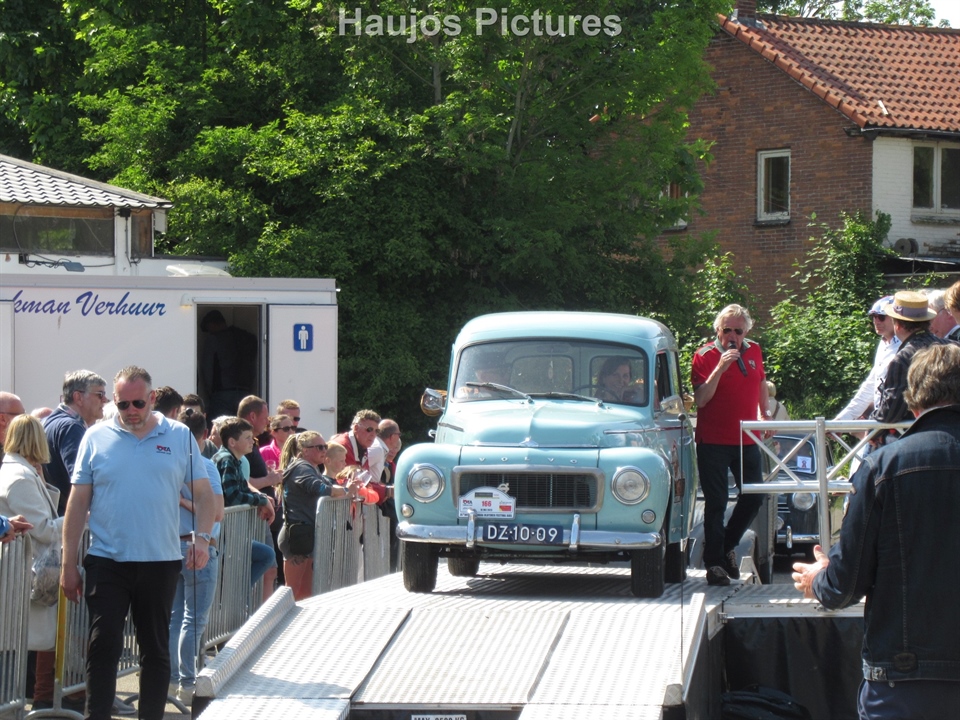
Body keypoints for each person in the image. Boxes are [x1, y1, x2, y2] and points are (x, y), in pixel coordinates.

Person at [792, 343, 960, 719]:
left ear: (913, 402)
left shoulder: (883, 466)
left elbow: (844, 587)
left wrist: (819, 579)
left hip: (904, 680)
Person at [60, 366, 214, 720]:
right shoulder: (95, 437)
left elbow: (204, 495)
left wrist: (203, 539)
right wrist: (69, 564)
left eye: (138, 403)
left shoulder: (178, 435)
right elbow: (77, 502)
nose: (131, 411)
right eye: (122, 404)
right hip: (107, 559)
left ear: (152, 398)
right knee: (103, 644)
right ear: (113, 402)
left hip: (159, 560)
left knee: (154, 649)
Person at [691, 304, 770, 586]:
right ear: (718, 330)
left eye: (738, 331)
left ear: (746, 332)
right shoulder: (704, 355)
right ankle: (714, 564)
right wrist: (721, 367)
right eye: (727, 330)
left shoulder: (755, 350)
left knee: (755, 496)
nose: (732, 336)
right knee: (717, 502)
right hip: (713, 441)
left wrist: (765, 413)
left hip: (746, 439)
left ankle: (726, 545)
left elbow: (761, 382)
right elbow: (701, 400)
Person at [0, 415, 65, 711]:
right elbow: (43, 529)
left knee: (15, 648)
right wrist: (77, 519)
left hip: (21, 572)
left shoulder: (21, 472)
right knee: (13, 648)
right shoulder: (20, 476)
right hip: (20, 574)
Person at [168, 411, 225, 706]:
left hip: (171, 546)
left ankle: (173, 679)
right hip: (197, 545)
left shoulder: (167, 464)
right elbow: (217, 512)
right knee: (193, 619)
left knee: (176, 618)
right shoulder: (204, 466)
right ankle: (187, 683)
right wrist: (187, 501)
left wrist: (181, 500)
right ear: (203, 435)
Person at [277, 431, 353, 600]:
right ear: (305, 450)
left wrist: (342, 490)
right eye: (319, 447)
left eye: (325, 446)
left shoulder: (310, 467)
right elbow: (318, 488)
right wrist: (344, 491)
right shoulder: (301, 467)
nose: (324, 450)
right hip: (297, 536)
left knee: (305, 592)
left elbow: (326, 485)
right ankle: (281, 616)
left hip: (305, 534)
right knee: (291, 592)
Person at [213, 416, 278, 600]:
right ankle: (233, 597)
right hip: (223, 530)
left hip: (230, 529)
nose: (252, 441)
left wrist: (260, 499)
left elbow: (243, 489)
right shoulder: (226, 460)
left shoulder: (234, 460)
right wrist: (260, 501)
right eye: (247, 437)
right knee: (265, 555)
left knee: (265, 555)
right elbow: (233, 496)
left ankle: (235, 596)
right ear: (232, 442)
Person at [871, 291, 948, 426]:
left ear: (898, 325)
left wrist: (871, 420)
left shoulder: (903, 358)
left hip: (919, 431)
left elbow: (890, 414)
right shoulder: (954, 347)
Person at [43, 369, 108, 515]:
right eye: (100, 394)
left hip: (56, 514)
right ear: (78, 397)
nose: (105, 399)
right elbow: (80, 478)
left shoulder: (50, 421)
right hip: (68, 516)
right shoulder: (71, 427)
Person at [834, 296, 901, 421]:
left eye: (881, 317)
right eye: (873, 317)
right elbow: (871, 385)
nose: (876, 321)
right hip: (882, 419)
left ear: (895, 318)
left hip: (899, 420)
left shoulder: (905, 346)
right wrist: (843, 419)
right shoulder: (883, 344)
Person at [200, 310, 258, 419]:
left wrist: (210, 393)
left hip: (222, 394)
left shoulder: (213, 339)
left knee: (221, 426)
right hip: (244, 392)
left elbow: (207, 369)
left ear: (212, 325)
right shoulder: (246, 337)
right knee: (242, 426)